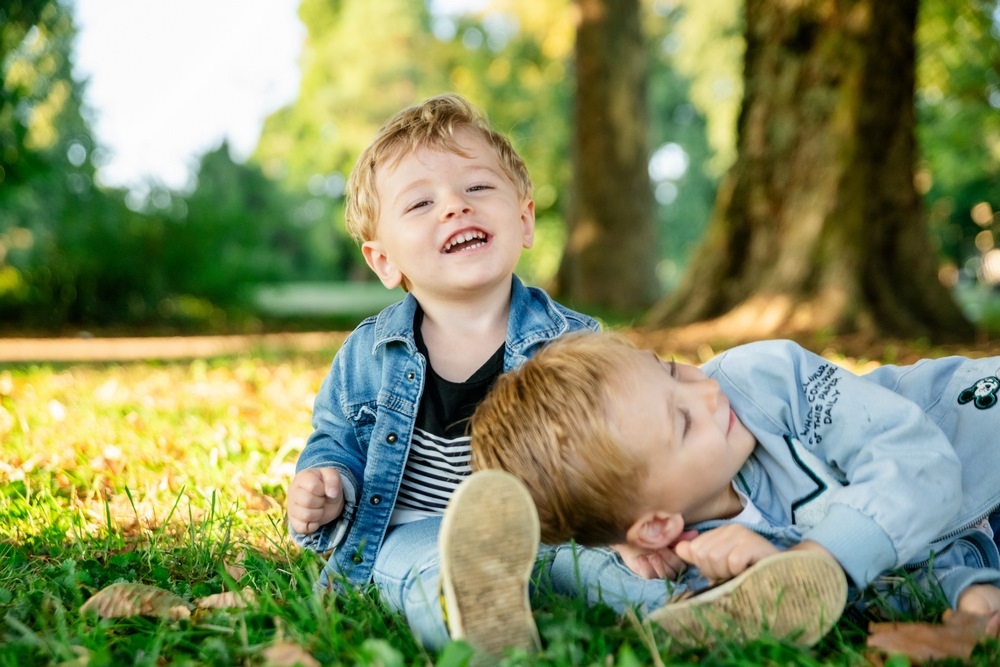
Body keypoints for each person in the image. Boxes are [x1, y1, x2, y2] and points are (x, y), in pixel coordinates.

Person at [283, 94, 672, 657]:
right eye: (420, 204)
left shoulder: (573, 341)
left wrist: (628, 530)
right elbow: (335, 437)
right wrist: (326, 481)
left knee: (597, 568)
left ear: (525, 218)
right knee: (426, 572)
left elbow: (625, 443)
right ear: (384, 261)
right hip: (416, 529)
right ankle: (473, 622)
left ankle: (693, 610)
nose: (455, 207)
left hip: (544, 529)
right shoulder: (368, 352)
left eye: (478, 188)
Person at [470, 331, 1000, 639]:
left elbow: (917, 463)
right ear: (657, 524)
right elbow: (873, 577)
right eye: (682, 423)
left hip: (981, 441)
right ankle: (502, 599)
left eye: (672, 372)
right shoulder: (702, 546)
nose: (705, 393)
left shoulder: (761, 380)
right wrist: (966, 590)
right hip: (970, 543)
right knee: (649, 588)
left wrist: (822, 557)